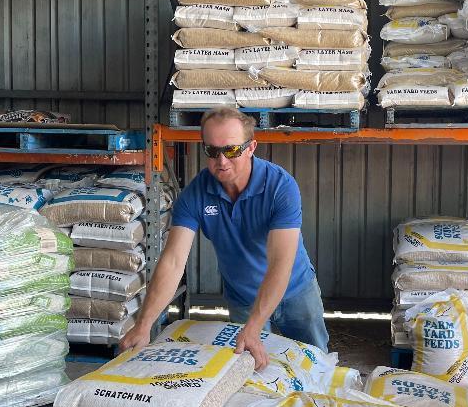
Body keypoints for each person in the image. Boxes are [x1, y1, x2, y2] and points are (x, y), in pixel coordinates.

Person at [118, 107, 329, 370]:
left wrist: (253, 328)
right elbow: (172, 262)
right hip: (242, 298)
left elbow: (280, 264)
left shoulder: (280, 187)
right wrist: (144, 324)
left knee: (315, 364)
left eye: (231, 150)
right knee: (251, 372)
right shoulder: (195, 195)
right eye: (212, 151)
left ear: (251, 147)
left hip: (295, 290)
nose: (222, 161)